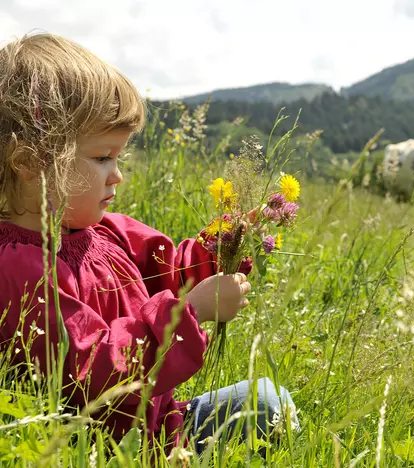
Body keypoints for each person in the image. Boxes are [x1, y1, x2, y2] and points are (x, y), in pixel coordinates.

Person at [0, 32, 299, 456]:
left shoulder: (104, 231)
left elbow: (170, 270)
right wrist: (189, 313)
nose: (116, 174)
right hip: (108, 449)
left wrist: (223, 247)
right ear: (30, 162)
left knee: (269, 402)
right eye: (103, 157)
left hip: (160, 426)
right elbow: (95, 372)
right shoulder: (20, 270)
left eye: (119, 157)